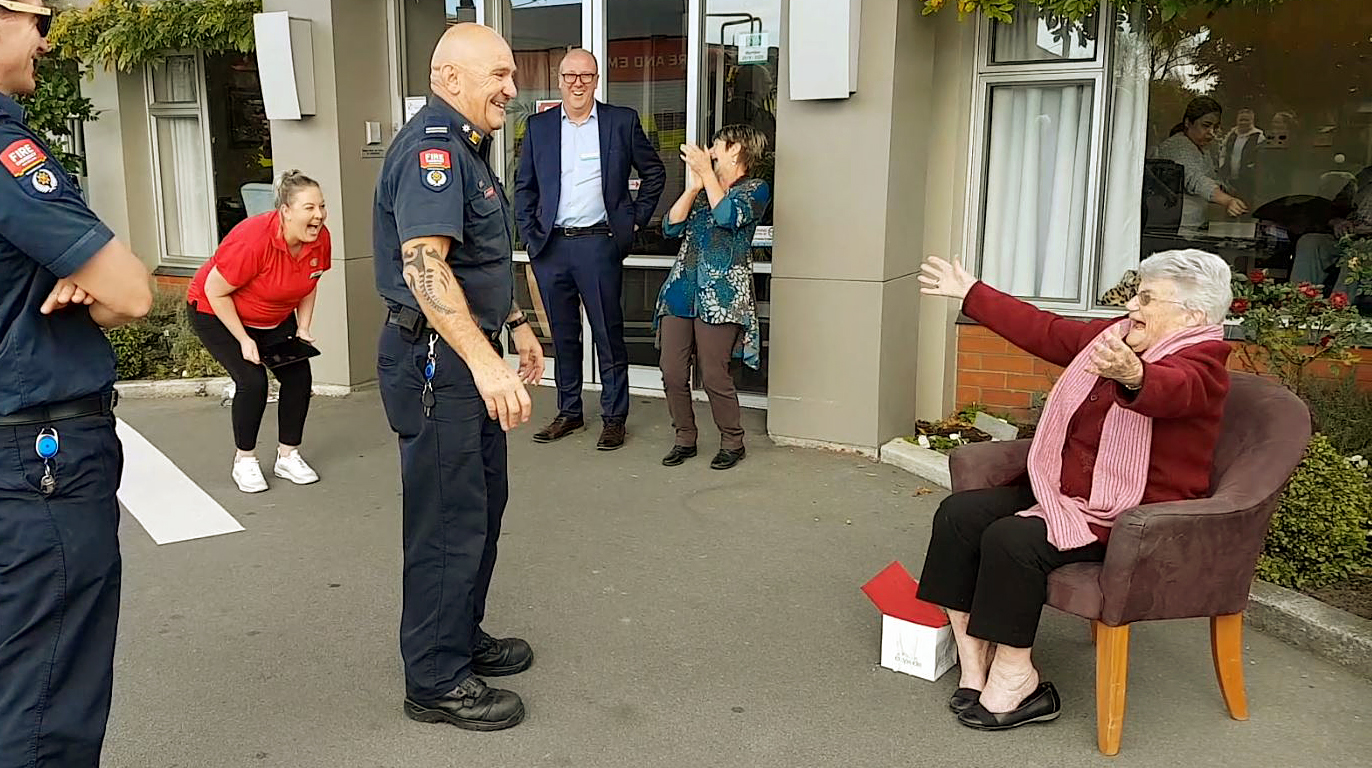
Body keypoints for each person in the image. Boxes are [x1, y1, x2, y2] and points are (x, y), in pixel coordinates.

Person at [915, 249, 1233, 730]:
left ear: (1192, 314)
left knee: (1012, 539)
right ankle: (973, 656)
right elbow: (1046, 330)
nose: (1132, 309)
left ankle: (1018, 676)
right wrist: (972, 293)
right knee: (959, 515)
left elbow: (1175, 389)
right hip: (1064, 492)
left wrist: (1133, 375)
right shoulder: (1114, 339)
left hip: (1132, 515)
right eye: (1135, 295)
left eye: (1146, 299)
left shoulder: (1205, 364)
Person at [372, 22, 545, 732]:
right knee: (447, 522)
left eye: (510, 75)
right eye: (498, 75)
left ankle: (458, 636)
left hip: (459, 359)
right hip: (436, 365)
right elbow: (425, 266)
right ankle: (435, 680)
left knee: (479, 510)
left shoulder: (469, 148)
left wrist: (518, 326)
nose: (512, 88)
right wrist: (483, 362)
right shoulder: (434, 150)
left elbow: (475, 259)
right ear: (449, 79)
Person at [0, 2, 154, 764]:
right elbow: (131, 292)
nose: (46, 36)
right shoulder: (7, 149)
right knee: (47, 700)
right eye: (35, 16)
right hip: (39, 460)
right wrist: (89, 281)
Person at [514, 48, 665, 450]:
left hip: (599, 244)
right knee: (562, 337)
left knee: (607, 334)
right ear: (559, 80)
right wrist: (531, 235)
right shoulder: (539, 127)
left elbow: (654, 172)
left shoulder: (620, 122)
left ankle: (614, 417)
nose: (577, 82)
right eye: (570, 76)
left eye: (586, 76)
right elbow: (524, 186)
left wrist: (634, 220)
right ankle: (570, 411)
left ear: (596, 80)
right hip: (552, 247)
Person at [185, 170, 330, 493]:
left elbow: (310, 281)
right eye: (309, 208)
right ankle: (245, 460)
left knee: (298, 376)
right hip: (216, 311)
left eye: (322, 206)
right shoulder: (253, 241)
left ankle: (287, 455)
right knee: (252, 380)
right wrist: (243, 340)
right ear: (285, 211)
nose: (318, 215)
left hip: (274, 316)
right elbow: (215, 290)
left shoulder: (318, 238)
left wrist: (303, 326)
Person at [654, 125, 770, 471]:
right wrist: (692, 188)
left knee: (714, 372)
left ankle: (733, 441)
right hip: (682, 291)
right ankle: (684, 437)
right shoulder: (704, 189)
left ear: (736, 151)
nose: (711, 150)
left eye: (717, 145)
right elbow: (670, 228)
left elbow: (727, 217)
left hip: (722, 294)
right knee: (672, 371)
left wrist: (706, 174)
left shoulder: (755, 189)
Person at [1154, 97, 1249, 228]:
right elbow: (1194, 179)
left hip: (1196, 225)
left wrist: (1232, 192)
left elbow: (1213, 178)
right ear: (1188, 122)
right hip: (1177, 229)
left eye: (1215, 127)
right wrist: (1227, 200)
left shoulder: (1203, 148)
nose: (1211, 133)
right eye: (1206, 126)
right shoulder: (1176, 146)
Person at [1290, 165, 1371, 301]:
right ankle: (1298, 302)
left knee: (1356, 254)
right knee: (1310, 242)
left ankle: (1337, 309)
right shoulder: (1365, 178)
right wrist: (1336, 221)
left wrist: (1363, 230)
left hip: (1365, 242)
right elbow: (1341, 207)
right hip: (1347, 236)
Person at [1218, 108, 1264, 204]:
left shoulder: (1258, 136)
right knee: (1230, 206)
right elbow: (1223, 153)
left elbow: (1261, 158)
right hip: (1229, 179)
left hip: (1248, 180)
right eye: (1241, 120)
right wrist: (1222, 166)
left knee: (1246, 206)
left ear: (1252, 121)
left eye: (1246, 120)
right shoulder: (1231, 135)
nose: (1243, 123)